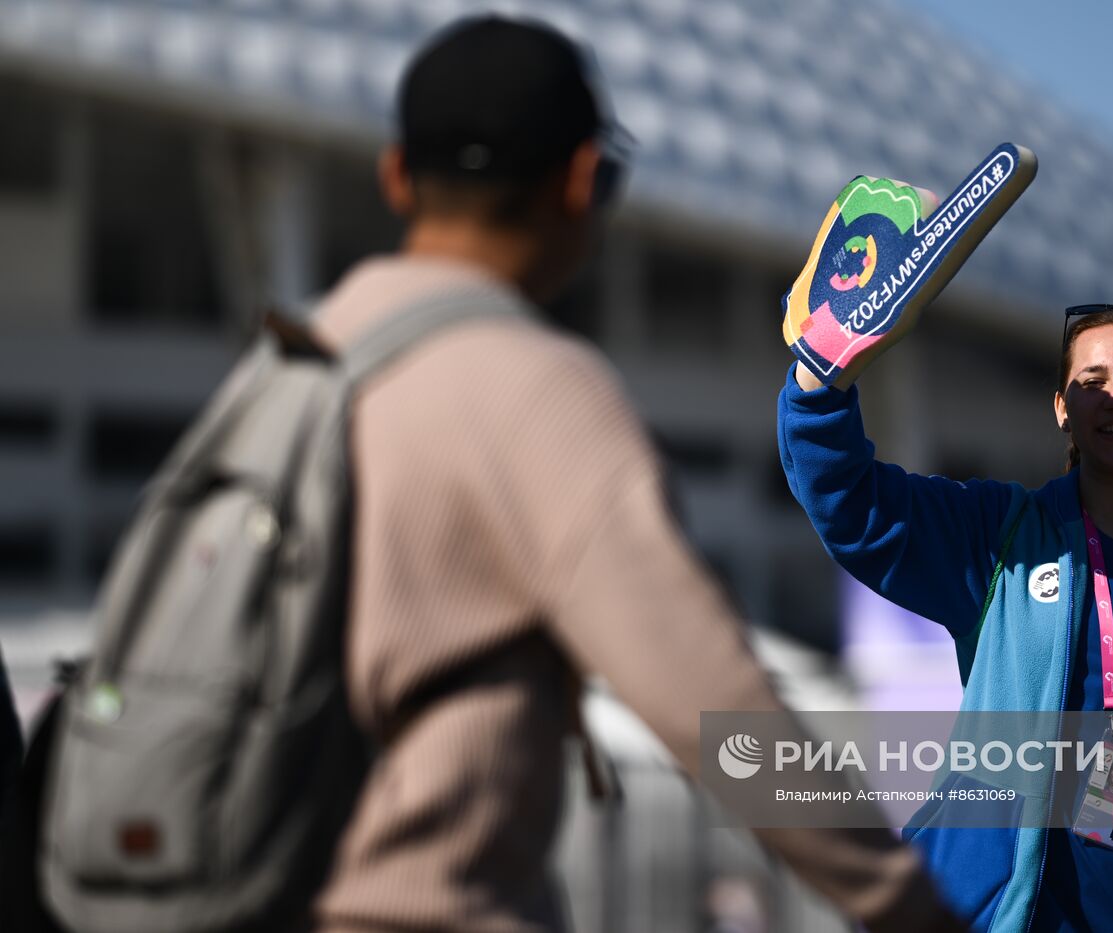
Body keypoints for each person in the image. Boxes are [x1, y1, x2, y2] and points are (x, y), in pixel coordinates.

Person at [307, 15, 957, 933]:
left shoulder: (289, 365)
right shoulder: (535, 389)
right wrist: (902, 903)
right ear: (582, 182)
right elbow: (718, 715)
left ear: (395, 176)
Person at [777, 303, 1113, 931]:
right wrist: (819, 382)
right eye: (1091, 381)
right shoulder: (999, 536)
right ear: (1061, 407)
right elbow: (853, 505)